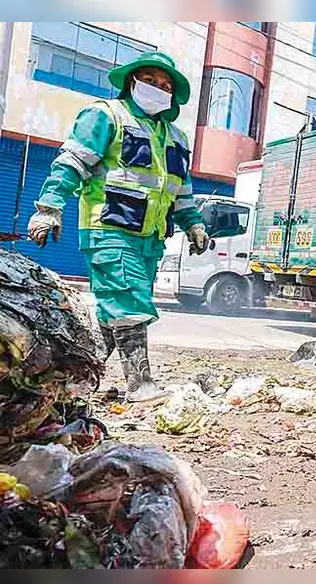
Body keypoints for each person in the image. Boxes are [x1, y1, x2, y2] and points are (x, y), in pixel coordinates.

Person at [26, 52, 207, 402]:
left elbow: (180, 190)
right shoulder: (106, 116)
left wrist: (194, 224)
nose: (158, 88)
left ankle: (72, 381)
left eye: (166, 85)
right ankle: (140, 385)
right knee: (127, 301)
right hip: (109, 228)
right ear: (132, 82)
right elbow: (72, 162)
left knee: (114, 312)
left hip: (151, 238)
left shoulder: (177, 137)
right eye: (150, 80)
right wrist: (49, 208)